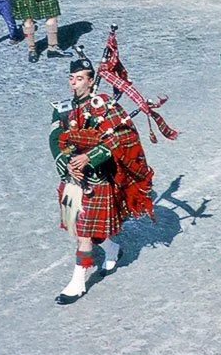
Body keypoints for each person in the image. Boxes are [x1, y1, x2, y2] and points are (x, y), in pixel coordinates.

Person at [49, 57, 155, 304]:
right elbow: (55, 138)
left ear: (91, 80)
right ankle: (111, 249)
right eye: (71, 79)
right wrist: (67, 164)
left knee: (84, 231)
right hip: (72, 177)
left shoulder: (105, 105)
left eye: (79, 79)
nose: (73, 83)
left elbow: (120, 138)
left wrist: (89, 157)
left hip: (97, 176)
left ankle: (77, 282)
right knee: (79, 226)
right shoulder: (62, 107)